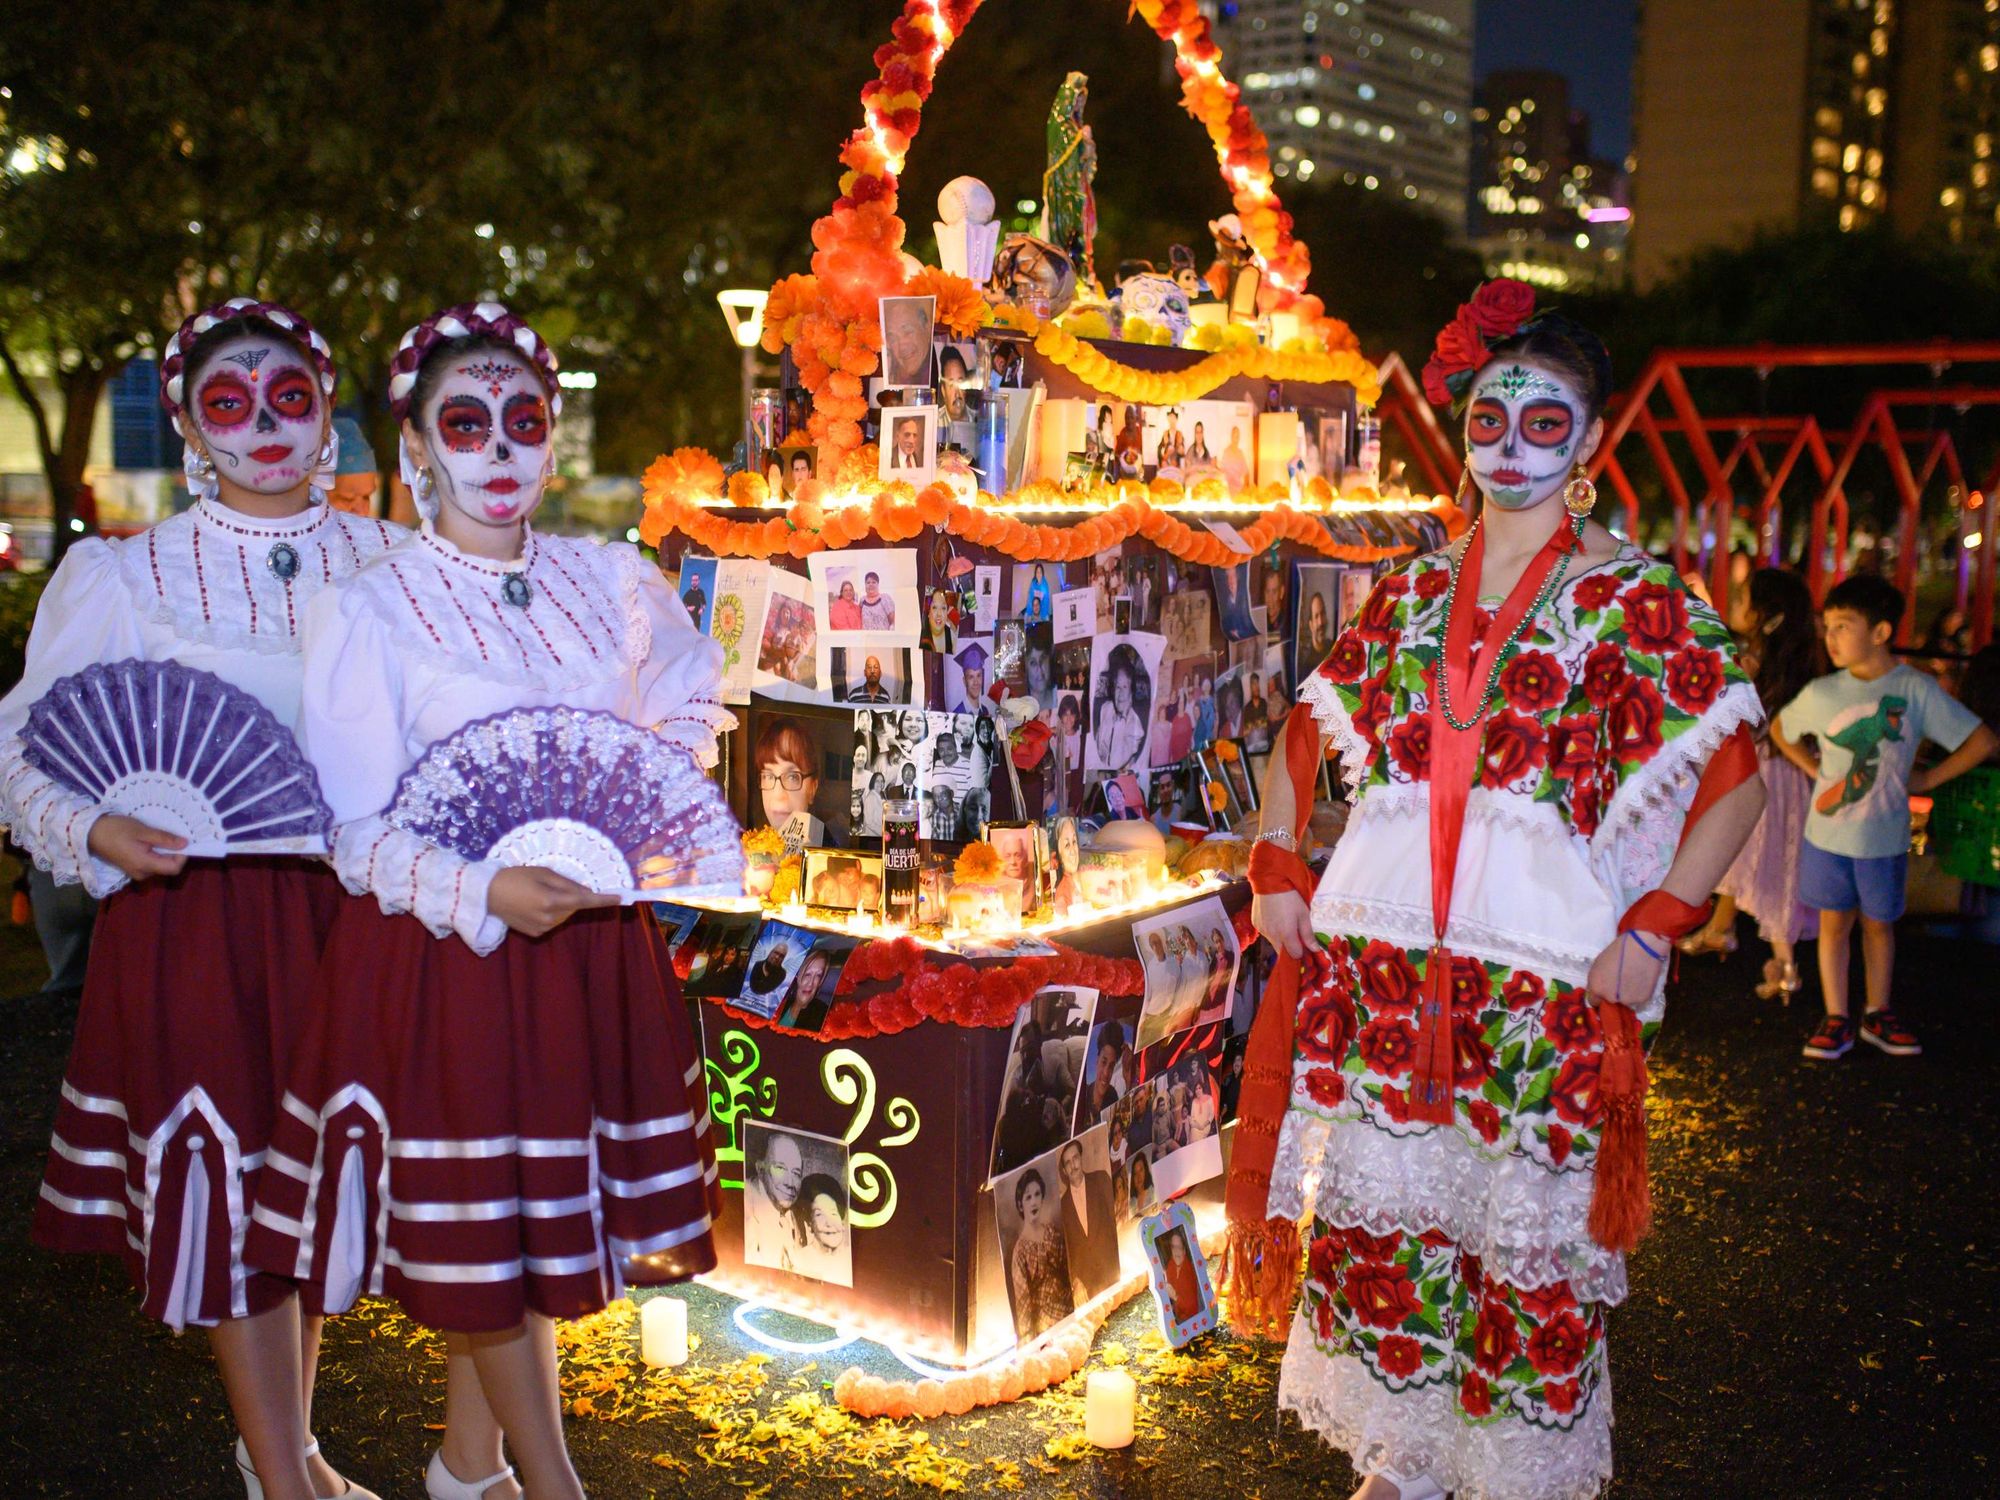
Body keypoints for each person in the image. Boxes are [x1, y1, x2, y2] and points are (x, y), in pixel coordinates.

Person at [1248, 282, 1767, 1500]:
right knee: (1384, 1227)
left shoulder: (1635, 600)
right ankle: (1401, 1459)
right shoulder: (1413, 591)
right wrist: (1275, 860)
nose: (1510, 448)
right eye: (1489, 419)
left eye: (1544, 423)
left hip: (1541, 983)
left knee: (1518, 1240)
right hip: (1378, 977)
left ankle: (1508, 1474)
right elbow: (1302, 734)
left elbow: (1736, 776)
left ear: (1591, 441)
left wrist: (1658, 926)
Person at [246, 303, 725, 1500]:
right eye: (466, 423)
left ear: (553, 438)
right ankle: (552, 1483)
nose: (500, 448)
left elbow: (684, 701)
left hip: (589, 946)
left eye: (524, 420)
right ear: (417, 448)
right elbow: (350, 828)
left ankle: (469, 1467)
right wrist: (485, 887)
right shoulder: (372, 606)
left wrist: (638, 804)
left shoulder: (607, 578)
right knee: (487, 1234)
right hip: (451, 953)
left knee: (533, 1220)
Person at [0, 298, 400, 1500]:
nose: (264, 425)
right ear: (186, 424)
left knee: (311, 1198)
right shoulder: (124, 575)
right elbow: (19, 748)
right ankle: (282, 1475)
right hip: (194, 923)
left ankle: (291, 1451)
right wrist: (95, 829)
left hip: (350, 918)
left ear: (327, 413)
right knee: (227, 1194)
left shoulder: (390, 565)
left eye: (290, 396)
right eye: (229, 401)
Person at [1774, 573, 1998, 1060]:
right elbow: (1781, 729)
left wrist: (1928, 780)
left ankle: (1877, 1012)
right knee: (1834, 925)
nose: (1831, 637)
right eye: (1829, 626)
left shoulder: (1914, 689)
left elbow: (1981, 740)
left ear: (1880, 632)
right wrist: (1813, 769)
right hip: (1827, 835)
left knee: (1879, 926)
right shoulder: (1823, 691)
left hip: (1884, 837)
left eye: (1844, 625)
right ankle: (1837, 1017)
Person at [1682, 568, 1824, 998]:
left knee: (1756, 851)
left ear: (1765, 615)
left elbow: (1745, 717)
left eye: (1743, 599)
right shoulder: (1803, 664)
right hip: (1790, 774)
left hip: (1762, 770)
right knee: (1758, 851)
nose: (1737, 605)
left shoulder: (1757, 665)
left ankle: (1784, 962)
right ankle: (1722, 928)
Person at [1007, 1169, 1075, 1340]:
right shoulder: (1020, 1251)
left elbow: (1069, 1270)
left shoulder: (1052, 1232)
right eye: (1028, 1197)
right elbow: (1023, 1306)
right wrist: (1030, 1342)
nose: (1034, 1202)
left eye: (1037, 1194)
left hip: (1068, 1307)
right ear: (1021, 1205)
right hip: (1045, 1324)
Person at [1057, 1138, 1120, 1301]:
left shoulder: (1101, 1179)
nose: (1073, 1165)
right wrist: (1075, 1281)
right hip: (1088, 1288)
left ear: (1081, 1158)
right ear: (1064, 1171)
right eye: (1068, 1163)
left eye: (1075, 1158)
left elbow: (1116, 1220)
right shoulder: (1062, 1206)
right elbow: (1067, 1250)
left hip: (1114, 1272)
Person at [754, 719, 826, 852]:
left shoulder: (828, 855)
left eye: (792, 777)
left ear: (812, 788)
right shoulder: (749, 853)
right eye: (768, 776)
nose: (778, 795)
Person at [743, 1132, 806, 1274]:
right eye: (780, 1168)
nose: (790, 1183)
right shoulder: (744, 1205)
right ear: (760, 1169)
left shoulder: (794, 1217)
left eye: (796, 1173)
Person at [1092, 643, 1149, 773]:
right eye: (1117, 687)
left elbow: (1118, 764)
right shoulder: (1105, 709)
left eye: (1125, 687)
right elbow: (1098, 750)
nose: (1120, 693)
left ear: (1131, 692)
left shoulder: (1135, 728)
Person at [790, 1173, 850, 1283]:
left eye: (833, 1213)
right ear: (810, 1223)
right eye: (819, 1214)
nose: (829, 1223)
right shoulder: (799, 1260)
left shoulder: (846, 1261)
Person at [779, 947, 836, 1030]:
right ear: (797, 974)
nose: (811, 983)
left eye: (818, 975)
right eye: (808, 974)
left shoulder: (824, 1014)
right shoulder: (779, 1001)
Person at [1160, 1229, 1203, 1324]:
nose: (1176, 1251)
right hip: (1177, 1315)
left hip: (1191, 1320)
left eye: (1179, 1247)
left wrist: (1175, 1296)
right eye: (1173, 1247)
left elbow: (1192, 1308)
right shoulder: (1171, 1265)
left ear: (1184, 1251)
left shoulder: (1189, 1271)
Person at [1298, 590, 1334, 676]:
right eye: (1316, 616)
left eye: (1322, 614)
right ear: (1311, 625)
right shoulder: (1306, 666)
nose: (1320, 622)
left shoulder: (1334, 647)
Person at [1125, 1152, 1155, 1217]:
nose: (1139, 1176)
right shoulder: (1131, 1203)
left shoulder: (1153, 1192)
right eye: (1135, 1173)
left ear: (1145, 1171)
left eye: (1141, 1170)